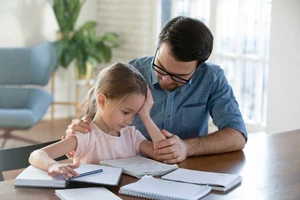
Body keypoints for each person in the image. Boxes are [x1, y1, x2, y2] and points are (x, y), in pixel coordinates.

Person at [66, 16, 247, 164]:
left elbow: (237, 136)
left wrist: (186, 147)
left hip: (187, 169)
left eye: (178, 77)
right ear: (158, 47)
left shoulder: (212, 78)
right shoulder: (130, 74)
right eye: (160, 67)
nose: (166, 80)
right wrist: (79, 129)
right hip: (129, 168)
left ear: (198, 67)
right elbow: (94, 120)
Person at [29, 63, 166, 178]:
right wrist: (53, 164)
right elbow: (37, 155)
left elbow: (163, 154)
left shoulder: (131, 135)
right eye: (125, 112)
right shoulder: (86, 134)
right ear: (102, 101)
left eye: (135, 114)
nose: (130, 121)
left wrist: (146, 116)